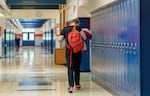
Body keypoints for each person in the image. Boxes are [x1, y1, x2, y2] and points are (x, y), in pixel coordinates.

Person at [58, 18, 82, 93]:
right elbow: (84, 37)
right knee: (77, 67)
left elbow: (60, 39)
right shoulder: (79, 28)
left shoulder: (65, 29)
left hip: (69, 51)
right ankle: (77, 84)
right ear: (77, 23)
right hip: (78, 51)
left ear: (71, 23)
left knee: (70, 67)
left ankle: (71, 86)